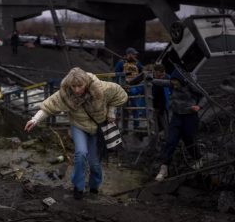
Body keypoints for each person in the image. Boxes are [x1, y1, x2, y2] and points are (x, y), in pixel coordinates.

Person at [24, 67, 128, 199]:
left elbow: (120, 94)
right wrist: (35, 119)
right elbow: (50, 105)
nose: (77, 90)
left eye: (80, 86)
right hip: (78, 126)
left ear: (86, 83)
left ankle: (94, 188)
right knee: (80, 154)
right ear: (69, 85)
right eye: (74, 86)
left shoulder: (102, 88)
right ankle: (78, 188)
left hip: (97, 128)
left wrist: (111, 111)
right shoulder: (65, 93)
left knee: (94, 163)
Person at [153, 68, 206, 181]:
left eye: (176, 84)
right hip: (177, 116)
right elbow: (162, 82)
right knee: (171, 141)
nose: (174, 86)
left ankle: (198, 159)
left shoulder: (191, 85)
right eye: (173, 83)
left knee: (189, 140)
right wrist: (150, 79)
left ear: (182, 81)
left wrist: (199, 106)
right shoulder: (172, 83)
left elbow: (204, 96)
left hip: (190, 116)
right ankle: (164, 168)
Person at [115, 47, 143, 128]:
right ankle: (124, 127)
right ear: (128, 54)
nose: (135, 56)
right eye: (133, 54)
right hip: (123, 88)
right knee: (123, 108)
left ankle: (136, 126)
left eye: (135, 54)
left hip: (134, 88)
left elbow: (142, 74)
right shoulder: (121, 63)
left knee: (135, 107)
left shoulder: (138, 63)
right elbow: (117, 75)